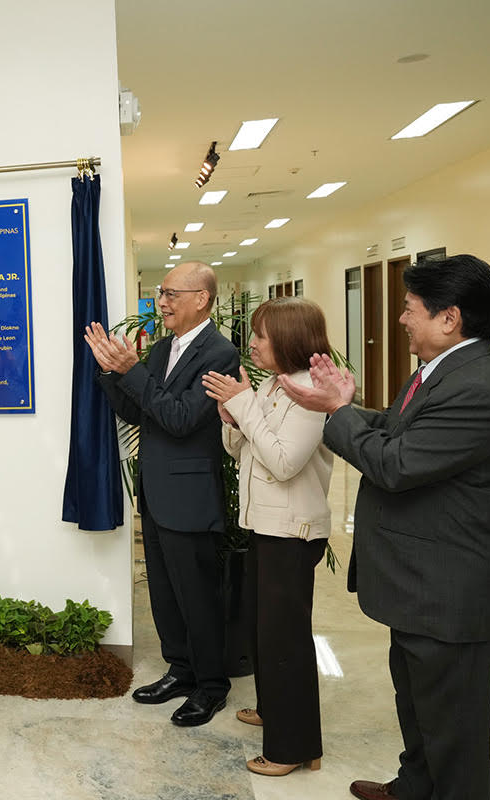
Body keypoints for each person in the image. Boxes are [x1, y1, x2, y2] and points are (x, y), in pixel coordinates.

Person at [279, 254, 490, 800]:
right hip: (422, 585)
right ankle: (414, 786)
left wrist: (337, 412)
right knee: (417, 707)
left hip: (450, 591)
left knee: (453, 731)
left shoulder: (477, 387)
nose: (402, 320)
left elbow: (396, 464)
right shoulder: (444, 370)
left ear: (449, 318)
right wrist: (343, 406)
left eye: (410, 309)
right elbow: (393, 428)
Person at [84, 261, 239, 727]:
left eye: (172, 293)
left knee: (198, 598)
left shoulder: (219, 353)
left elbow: (178, 418)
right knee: (167, 596)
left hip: (190, 497)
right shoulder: (166, 346)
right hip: (156, 493)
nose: (162, 302)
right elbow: (139, 411)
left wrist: (133, 369)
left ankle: (211, 687)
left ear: (202, 299)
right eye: (160, 292)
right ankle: (182, 670)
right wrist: (113, 372)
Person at [201, 297, 333, 777]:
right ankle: (276, 710)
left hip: (292, 532)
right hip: (266, 526)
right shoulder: (278, 387)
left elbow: (283, 463)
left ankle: (293, 747)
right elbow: (249, 454)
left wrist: (244, 407)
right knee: (264, 631)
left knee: (286, 642)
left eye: (260, 336)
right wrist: (232, 420)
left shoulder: (309, 395)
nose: (252, 344)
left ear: (289, 340)